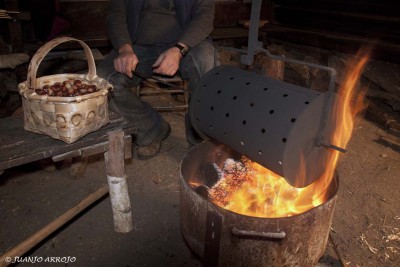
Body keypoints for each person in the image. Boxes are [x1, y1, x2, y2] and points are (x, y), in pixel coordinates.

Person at [97, 0, 219, 160]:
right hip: (138, 46)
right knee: (102, 81)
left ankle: (198, 140)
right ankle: (152, 129)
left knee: (207, 63)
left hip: (186, 44)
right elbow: (115, 14)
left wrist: (179, 49)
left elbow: (205, 16)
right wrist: (124, 48)